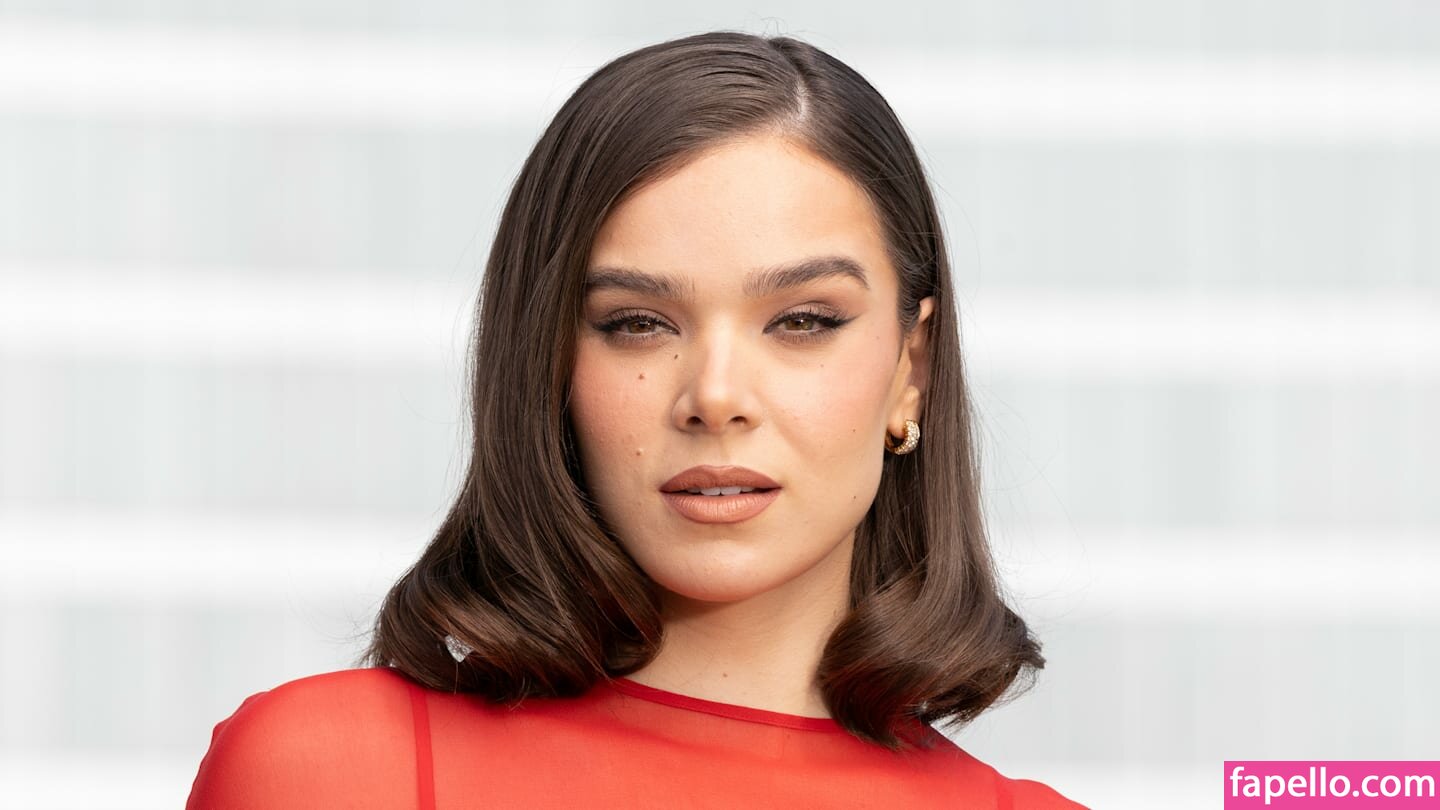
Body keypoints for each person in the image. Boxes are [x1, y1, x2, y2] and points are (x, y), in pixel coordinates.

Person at [185, 30, 1086, 809]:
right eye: (637, 324)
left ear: (910, 370)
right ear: (548, 364)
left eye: (803, 321)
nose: (715, 396)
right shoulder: (329, 772)